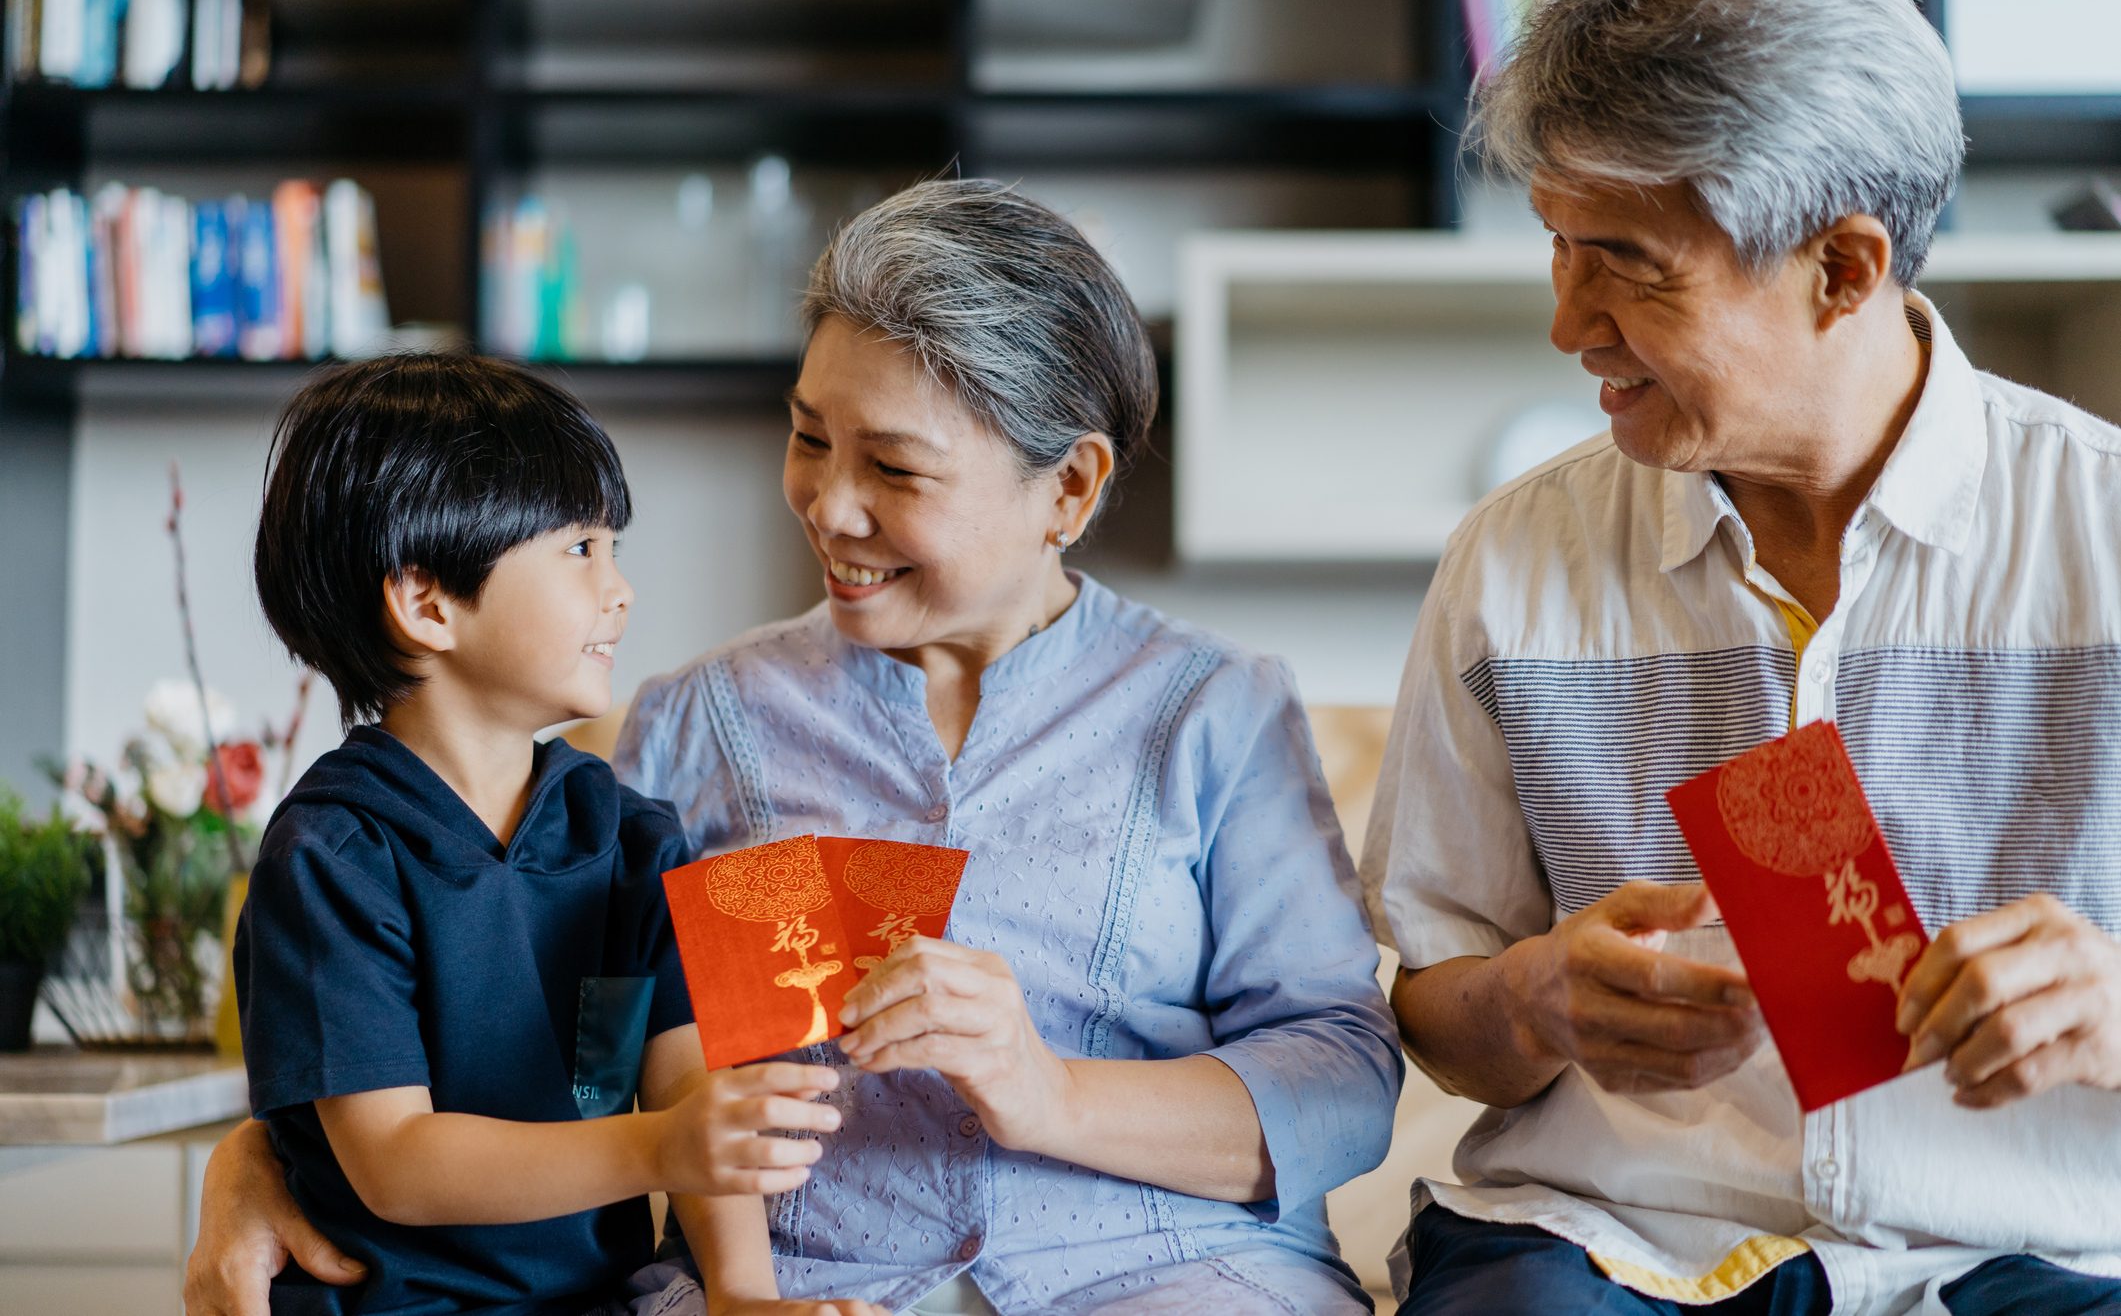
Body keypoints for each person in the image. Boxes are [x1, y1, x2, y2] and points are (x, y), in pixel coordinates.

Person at [189, 181, 1402, 1316]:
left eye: (895, 467)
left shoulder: (1214, 711)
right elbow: (527, 1047)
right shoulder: (693, 728)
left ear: (1069, 490)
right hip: (803, 1282)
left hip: (1170, 1271)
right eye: (810, 437)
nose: (829, 504)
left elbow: (1343, 1082)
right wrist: (267, 1152)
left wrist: (1050, 1089)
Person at [1360, 0, 2121, 1315]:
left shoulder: (2102, 533)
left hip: (2034, 1251)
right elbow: (1433, 1000)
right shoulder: (1511, 562)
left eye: (1629, 264)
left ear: (1842, 267)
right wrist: (1529, 1001)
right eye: (1557, 243)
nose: (1566, 319)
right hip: (1610, 1238)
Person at [237, 354, 874, 1316]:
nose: (619, 591)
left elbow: (682, 1078)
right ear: (427, 603)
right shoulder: (332, 857)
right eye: (579, 550)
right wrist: (656, 1147)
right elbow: (396, 1164)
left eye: (612, 550)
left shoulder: (628, 836)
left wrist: (743, 1295)